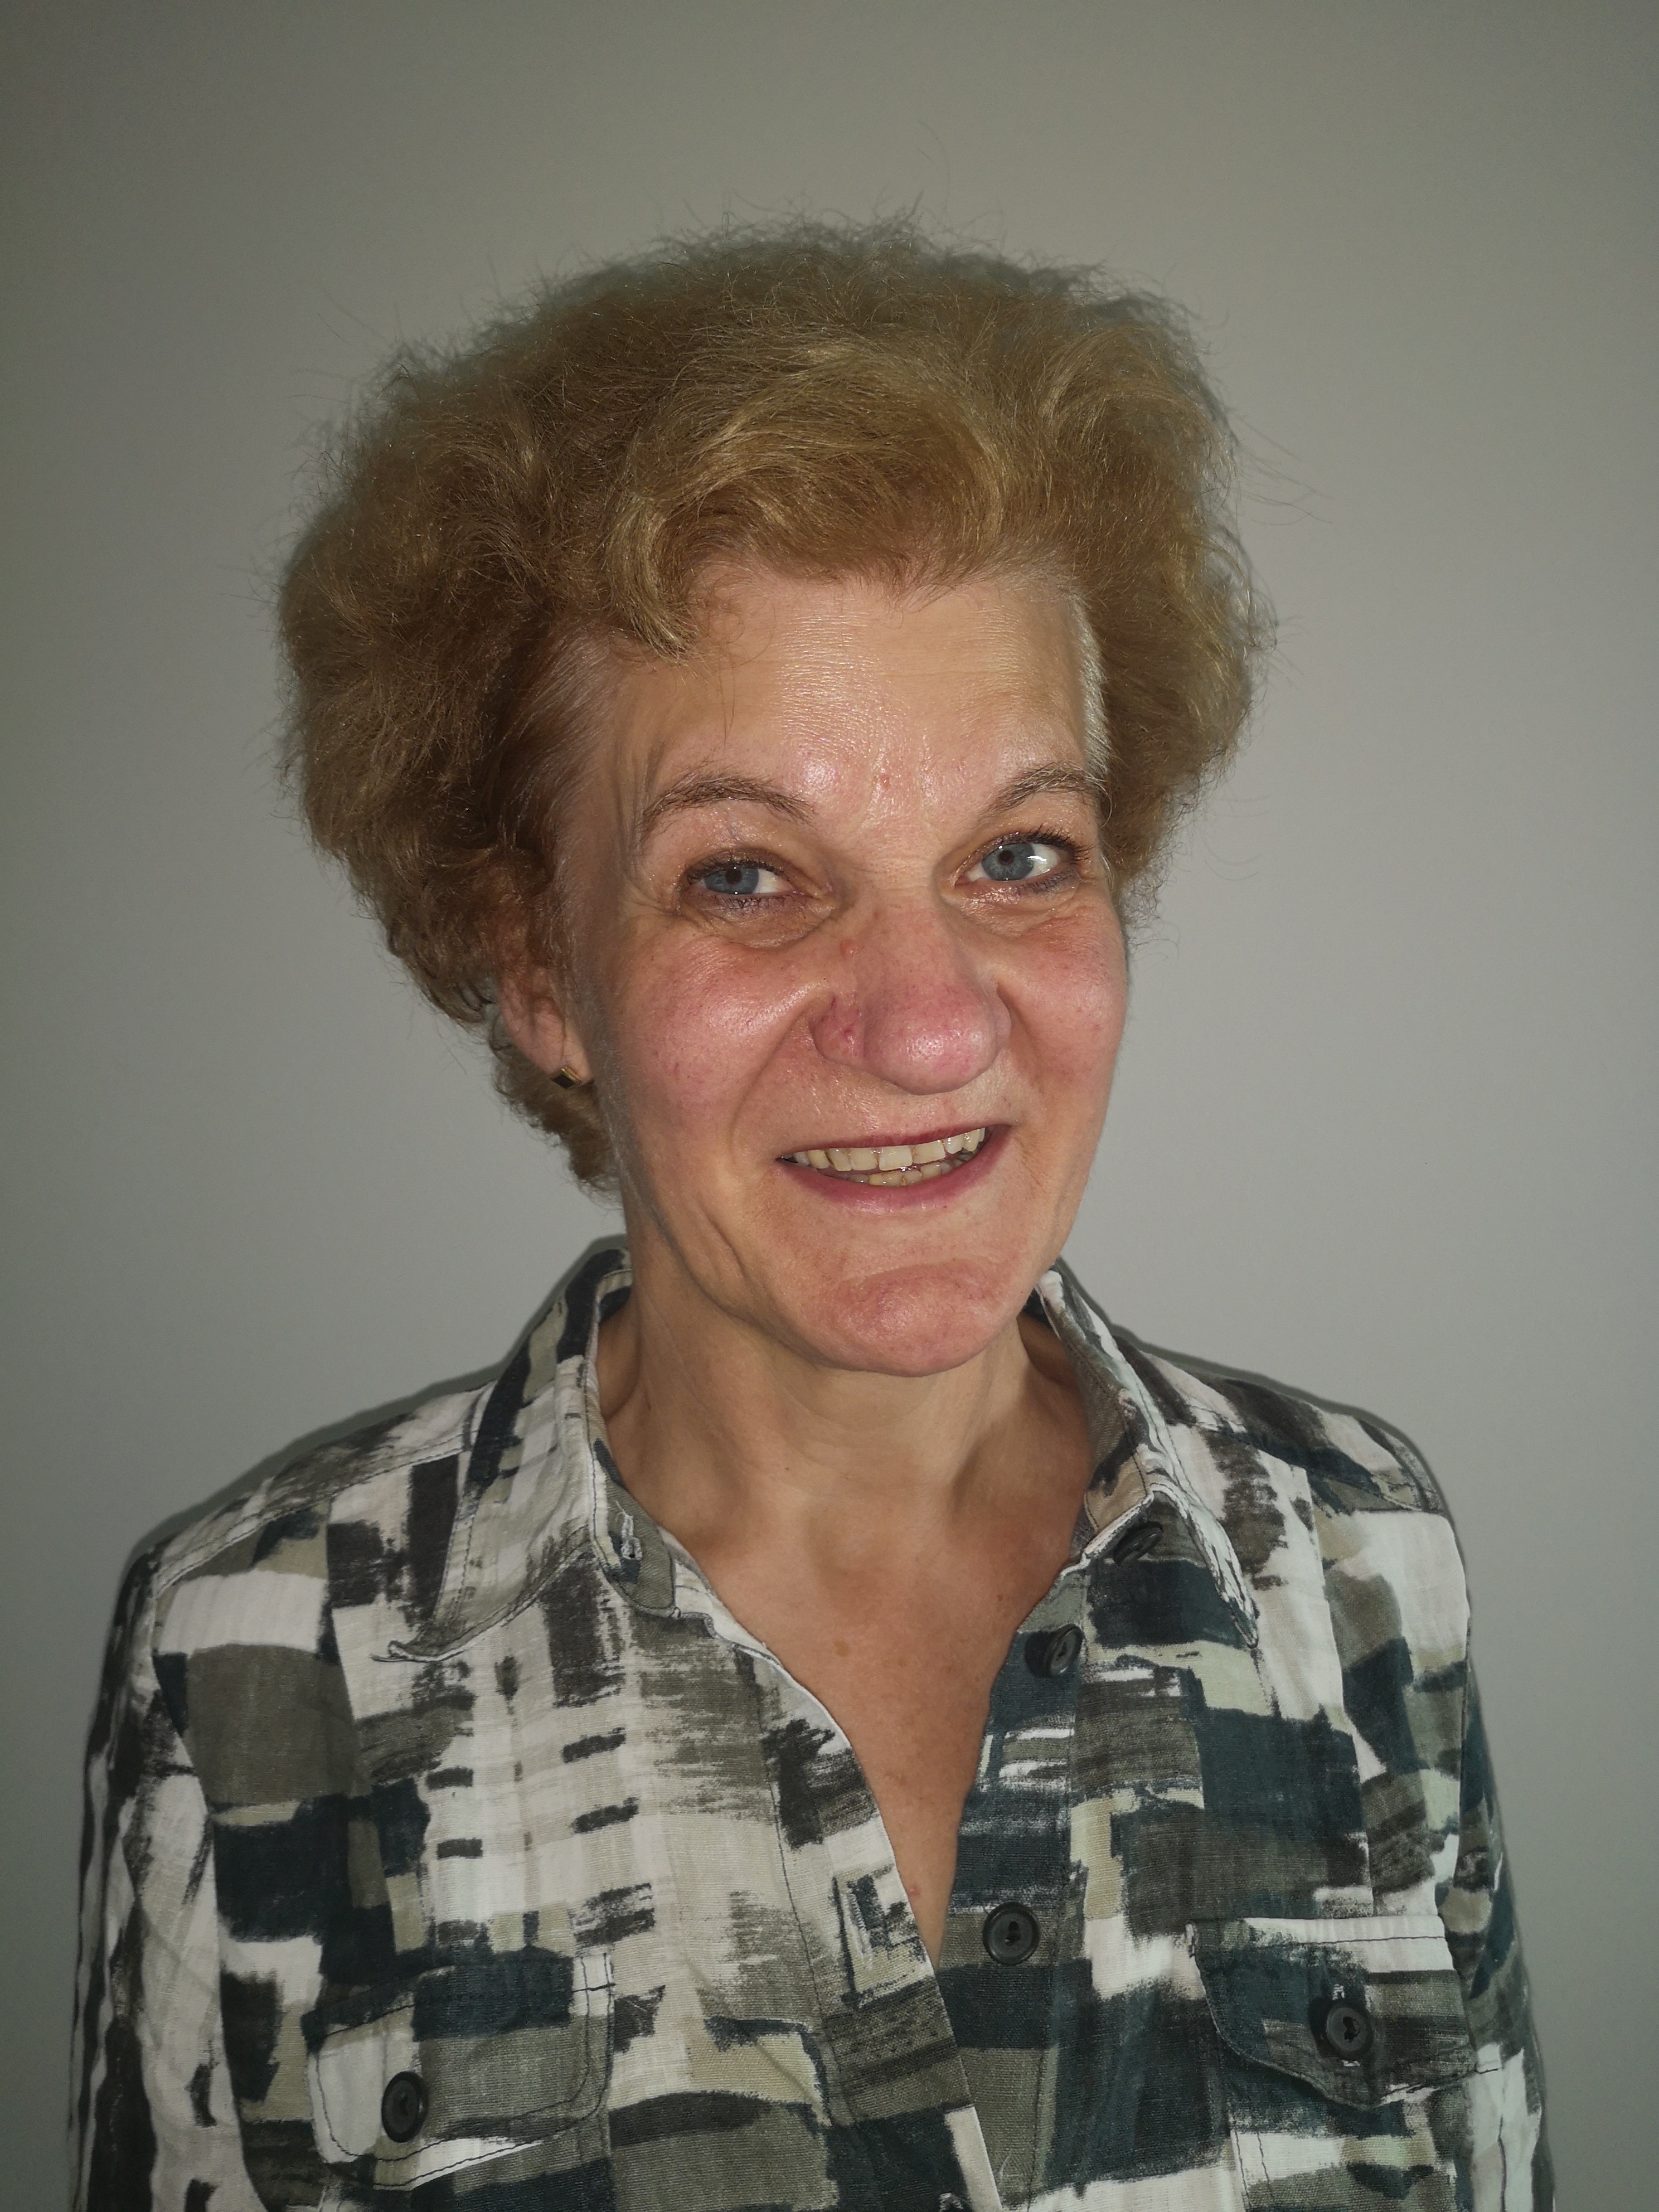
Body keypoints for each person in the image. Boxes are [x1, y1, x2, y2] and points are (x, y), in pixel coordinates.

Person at [71, 223, 1551, 2212]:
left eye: (1019, 854)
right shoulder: (256, 1665)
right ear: (537, 966)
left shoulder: (1358, 1561)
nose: (933, 1027)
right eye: (747, 877)